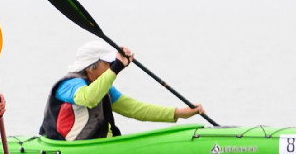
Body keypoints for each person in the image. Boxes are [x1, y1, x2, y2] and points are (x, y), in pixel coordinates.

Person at [43, 40, 206, 140]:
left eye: (112, 63)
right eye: (108, 64)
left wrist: (179, 113)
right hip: (71, 151)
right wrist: (116, 69)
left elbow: (135, 109)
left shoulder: (104, 88)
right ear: (93, 65)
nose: (111, 67)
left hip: (102, 146)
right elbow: (88, 98)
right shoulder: (69, 84)